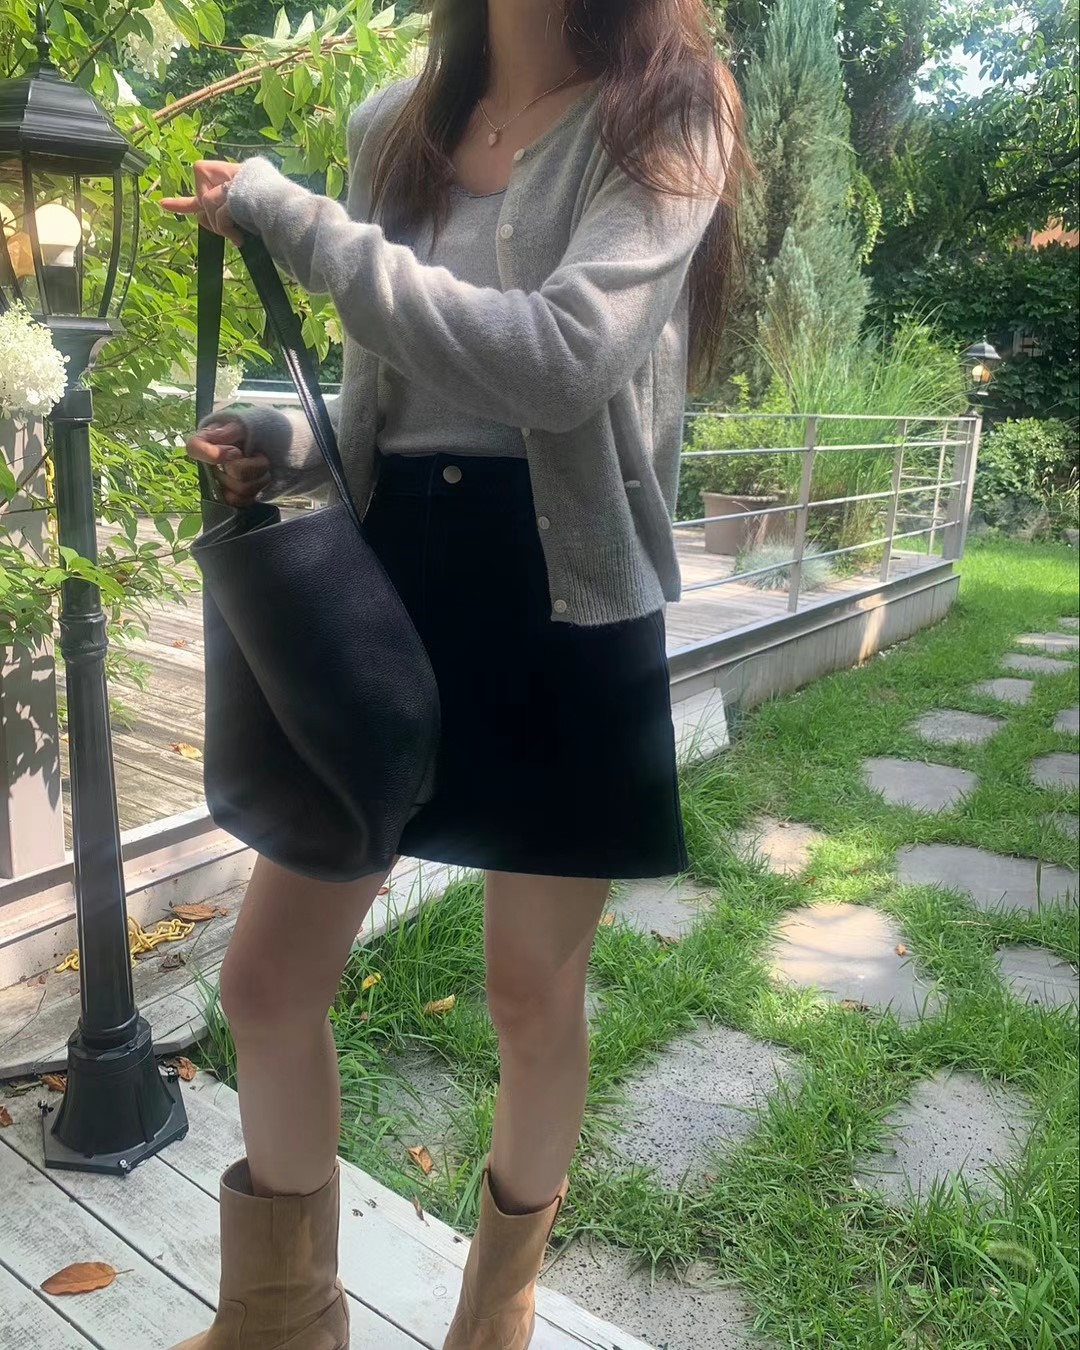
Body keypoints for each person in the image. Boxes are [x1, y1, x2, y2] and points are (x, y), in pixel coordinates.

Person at [162, 1, 746, 1346]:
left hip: (564, 599)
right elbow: (389, 393)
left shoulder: (668, 109)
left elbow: (559, 362)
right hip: (390, 592)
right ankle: (281, 1318)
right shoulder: (396, 124)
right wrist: (279, 435)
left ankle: (497, 1314)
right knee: (266, 982)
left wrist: (299, 224)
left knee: (531, 995)